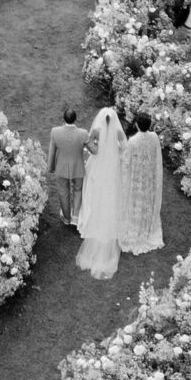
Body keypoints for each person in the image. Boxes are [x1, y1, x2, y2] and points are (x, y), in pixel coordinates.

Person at [76, 105, 127, 277]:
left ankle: (93, 212)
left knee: (94, 189)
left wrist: (98, 145)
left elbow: (91, 144)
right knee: (111, 192)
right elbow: (124, 146)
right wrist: (117, 152)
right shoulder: (118, 132)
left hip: (98, 164)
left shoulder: (96, 129)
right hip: (112, 164)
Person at [119, 111, 164, 254]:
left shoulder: (133, 141)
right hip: (149, 176)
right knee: (147, 200)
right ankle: (147, 225)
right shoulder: (154, 137)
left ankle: (136, 226)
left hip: (137, 178)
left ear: (137, 124)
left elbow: (126, 162)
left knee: (136, 201)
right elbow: (157, 157)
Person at [47, 106, 90, 227]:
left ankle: (66, 218)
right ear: (76, 119)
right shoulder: (83, 133)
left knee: (63, 192)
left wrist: (50, 167)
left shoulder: (55, 131)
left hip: (61, 167)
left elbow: (51, 151)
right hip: (78, 167)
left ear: (63, 118)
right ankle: (75, 217)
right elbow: (92, 148)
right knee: (78, 190)